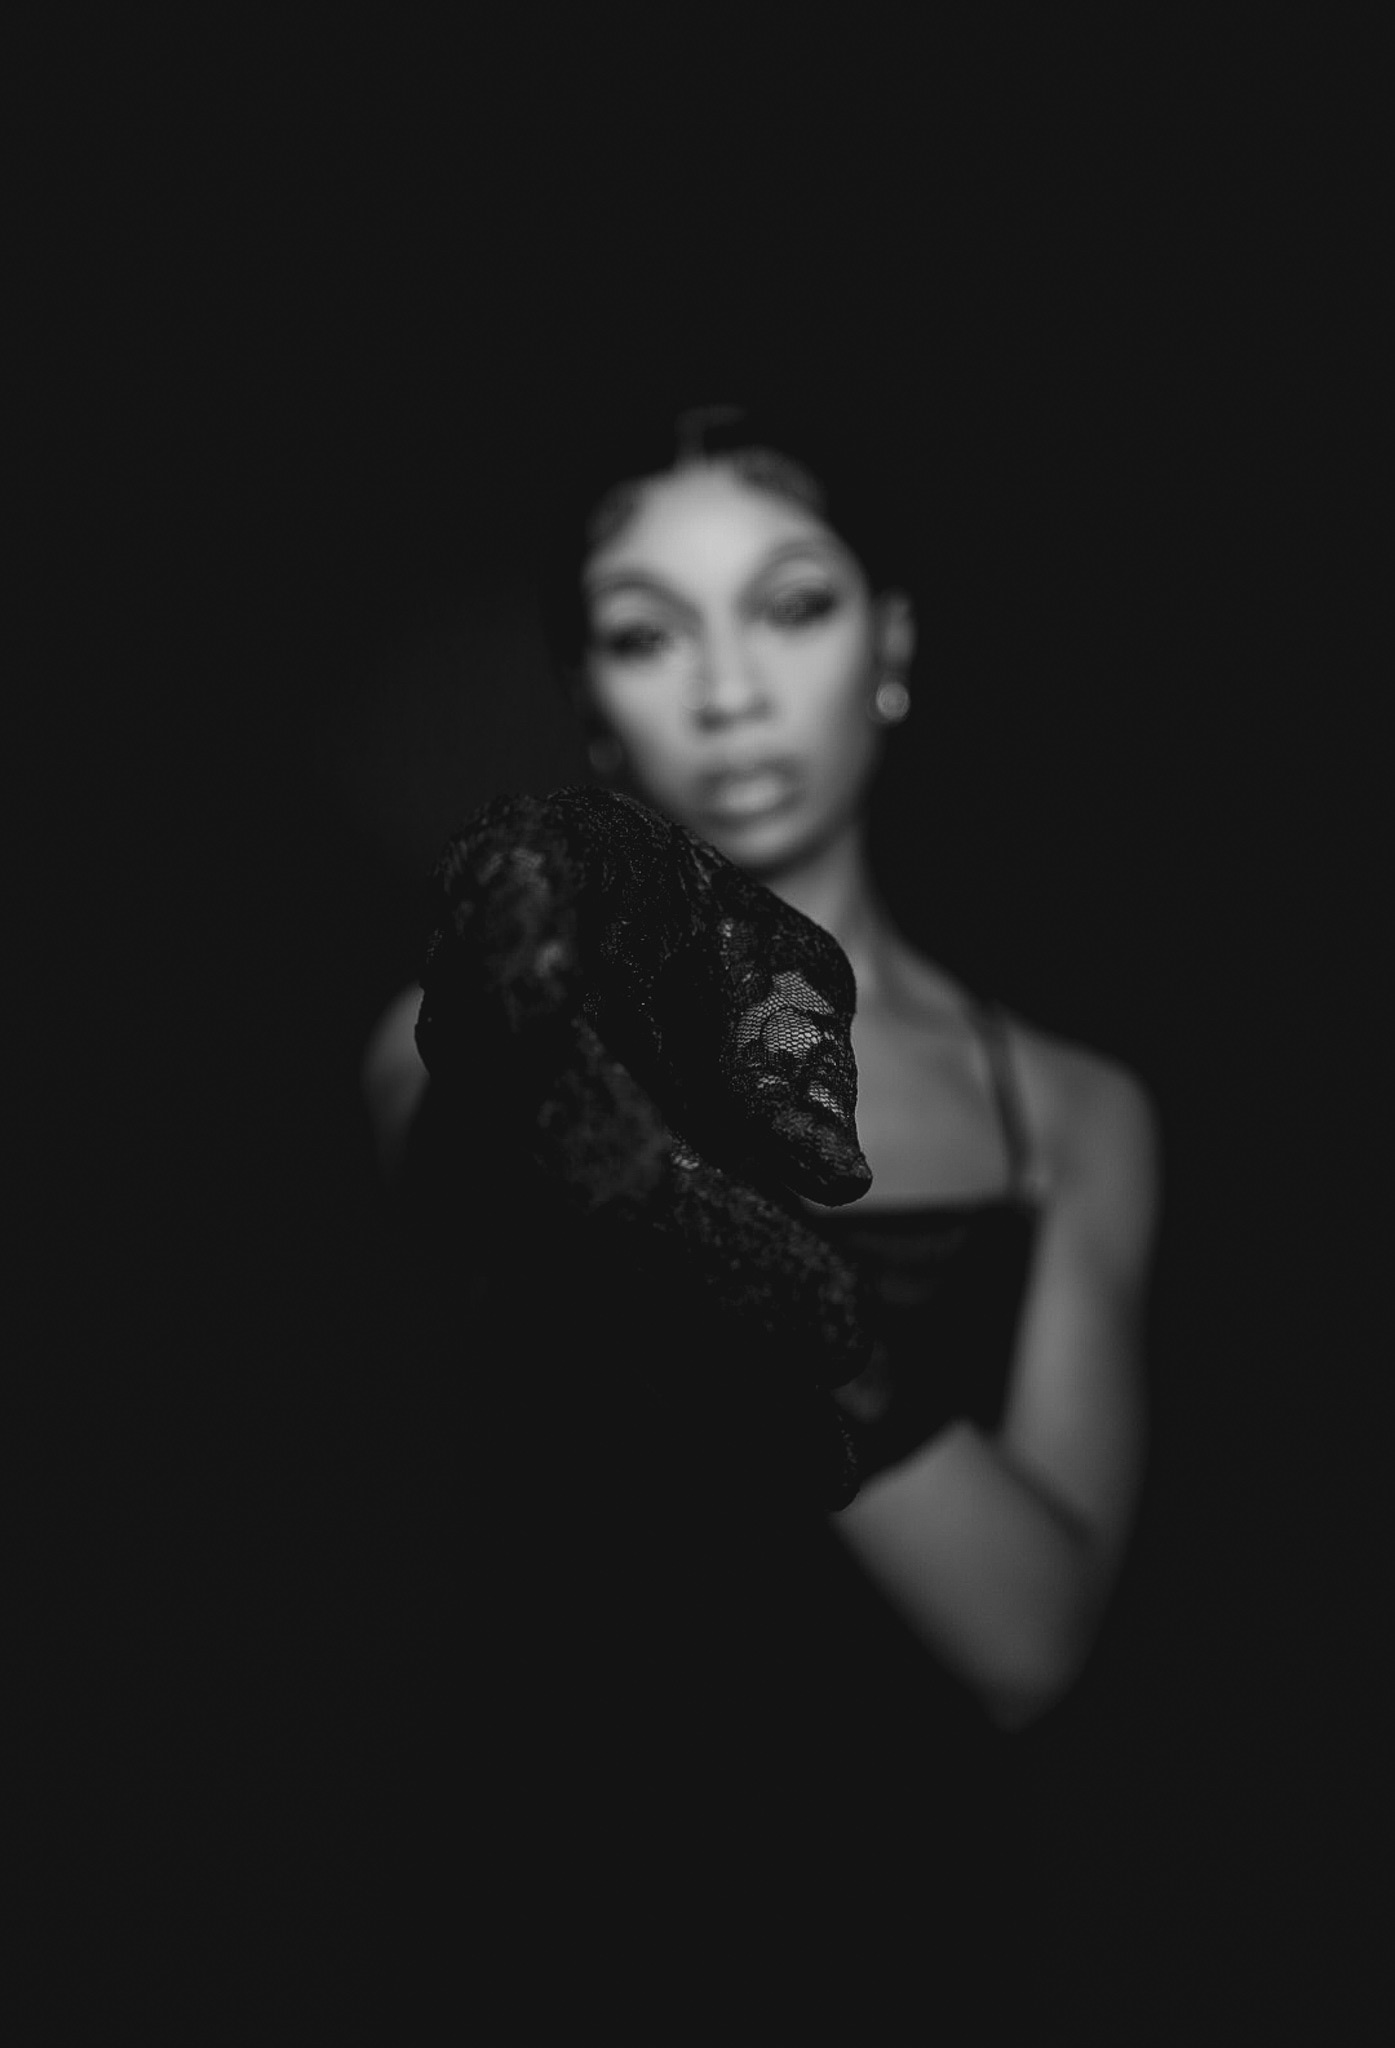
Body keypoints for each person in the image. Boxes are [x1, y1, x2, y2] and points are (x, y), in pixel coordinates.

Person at [360, 398, 1161, 2026]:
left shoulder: (1073, 1112)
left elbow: (1029, 1644)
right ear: (588, 699)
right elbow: (457, 1162)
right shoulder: (475, 1036)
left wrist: (775, 1291)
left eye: (791, 606)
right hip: (548, 1920)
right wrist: (549, 1057)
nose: (728, 690)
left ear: (892, 645)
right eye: (647, 634)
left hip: (925, 1934)